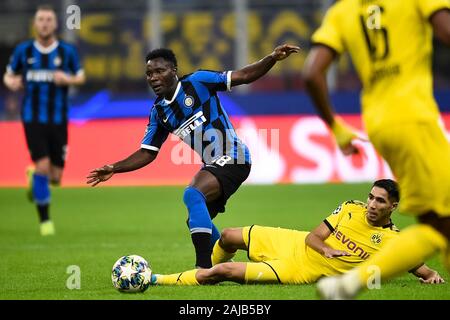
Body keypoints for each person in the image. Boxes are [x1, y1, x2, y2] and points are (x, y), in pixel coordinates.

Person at [86, 44, 300, 268]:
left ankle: (202, 268)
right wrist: (114, 167)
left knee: (193, 194)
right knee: (195, 218)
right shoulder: (159, 112)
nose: (153, 77)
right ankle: (226, 263)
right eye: (149, 73)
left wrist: (272, 58)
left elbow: (244, 76)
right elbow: (147, 153)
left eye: (160, 71)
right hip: (215, 163)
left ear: (174, 70)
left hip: (234, 156)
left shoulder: (198, 81)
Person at [302, 0, 450, 299]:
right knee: (439, 225)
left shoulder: (341, 11)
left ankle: (350, 284)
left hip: (379, 124)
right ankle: (351, 284)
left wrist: (336, 127)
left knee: (437, 223)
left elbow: (311, 74)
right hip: (415, 116)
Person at [147, 179, 443, 286]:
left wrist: (430, 276)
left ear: (393, 206)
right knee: (227, 235)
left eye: (380, 201)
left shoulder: (394, 241)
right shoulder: (350, 208)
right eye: (371, 197)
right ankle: (204, 270)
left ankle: (156, 280)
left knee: (223, 271)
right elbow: (315, 236)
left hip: (298, 269)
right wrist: (326, 248)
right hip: (294, 241)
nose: (372, 204)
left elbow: (419, 267)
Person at [3, 5, 85, 236]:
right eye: (41, 19)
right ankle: (45, 222)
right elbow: (8, 74)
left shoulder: (67, 51)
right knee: (42, 165)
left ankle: (34, 177)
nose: (45, 23)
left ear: (55, 24)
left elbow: (81, 76)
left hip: (59, 119)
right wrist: (11, 82)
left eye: (49, 19)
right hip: (32, 117)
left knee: (56, 177)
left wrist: (66, 78)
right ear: (35, 23)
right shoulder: (24, 50)